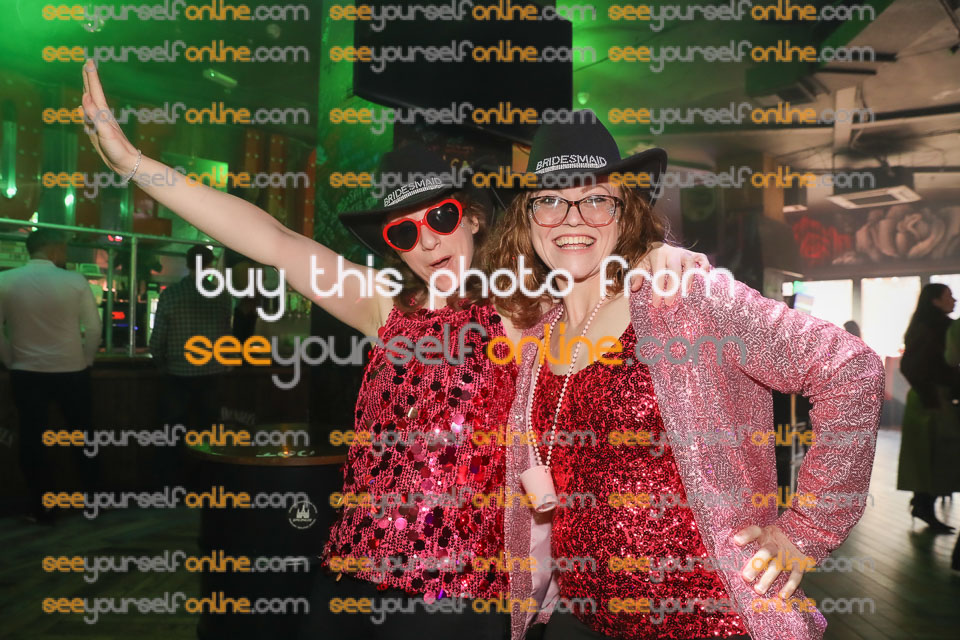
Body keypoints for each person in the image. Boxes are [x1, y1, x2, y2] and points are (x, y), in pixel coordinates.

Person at [79, 62, 707, 639]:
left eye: (442, 218)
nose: (428, 242)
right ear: (393, 247)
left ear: (473, 218)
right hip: (350, 578)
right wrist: (134, 163)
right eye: (405, 231)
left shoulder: (525, 313)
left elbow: (600, 274)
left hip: (453, 596)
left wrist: (656, 256)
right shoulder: (385, 309)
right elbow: (272, 239)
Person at [486, 112, 885, 640]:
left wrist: (806, 531)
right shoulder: (538, 334)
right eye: (550, 200)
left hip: (705, 619)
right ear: (528, 217)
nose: (571, 218)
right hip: (580, 619)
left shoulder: (685, 299)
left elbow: (851, 369)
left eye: (596, 199)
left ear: (626, 211)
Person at [0, 228, 102, 523]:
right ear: (54, 249)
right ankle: (94, 500)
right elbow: (93, 328)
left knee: (33, 440)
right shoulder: (75, 281)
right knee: (83, 437)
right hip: (72, 371)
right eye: (64, 249)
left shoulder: (5, 280)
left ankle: (44, 508)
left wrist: (10, 361)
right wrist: (87, 361)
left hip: (26, 372)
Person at [149, 244, 232, 480]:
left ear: (187, 264)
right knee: (209, 434)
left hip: (177, 374)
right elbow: (227, 338)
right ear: (210, 265)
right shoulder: (222, 296)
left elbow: (157, 341)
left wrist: (162, 365)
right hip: (212, 373)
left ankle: (172, 485)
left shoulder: (171, 294)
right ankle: (207, 483)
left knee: (173, 434)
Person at [897, 283, 960, 533]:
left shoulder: (921, 326)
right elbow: (918, 366)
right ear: (935, 301)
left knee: (925, 456)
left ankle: (923, 504)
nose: (954, 300)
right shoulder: (939, 327)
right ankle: (925, 506)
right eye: (949, 296)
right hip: (934, 400)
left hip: (924, 399)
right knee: (937, 456)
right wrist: (932, 395)